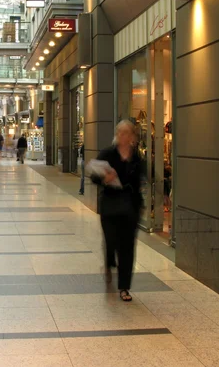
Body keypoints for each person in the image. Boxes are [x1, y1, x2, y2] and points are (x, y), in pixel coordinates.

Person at [91, 120, 144, 302]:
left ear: (132, 137)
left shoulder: (136, 157)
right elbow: (93, 176)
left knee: (127, 247)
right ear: (117, 134)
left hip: (130, 207)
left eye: (128, 133)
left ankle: (124, 287)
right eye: (121, 132)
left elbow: (142, 177)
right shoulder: (107, 154)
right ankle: (108, 261)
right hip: (110, 205)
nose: (124, 136)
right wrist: (105, 178)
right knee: (111, 240)